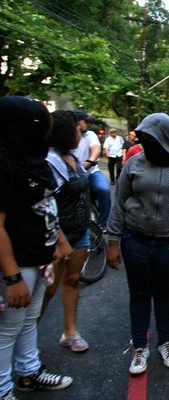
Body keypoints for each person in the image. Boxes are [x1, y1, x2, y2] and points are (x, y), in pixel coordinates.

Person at [107, 113, 169, 375]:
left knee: (165, 295)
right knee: (139, 294)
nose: (146, 144)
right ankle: (140, 347)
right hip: (135, 241)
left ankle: (165, 343)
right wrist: (113, 241)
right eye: (143, 139)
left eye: (151, 138)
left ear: (165, 137)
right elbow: (119, 204)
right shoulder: (133, 163)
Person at [0, 96, 73, 396]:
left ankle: (29, 372)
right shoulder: (4, 165)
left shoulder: (33, 160)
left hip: (39, 256)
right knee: (8, 329)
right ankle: (3, 387)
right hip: (17, 262)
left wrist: (59, 240)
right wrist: (12, 276)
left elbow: (44, 205)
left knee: (29, 319)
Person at [41, 111, 91, 353]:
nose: (80, 135)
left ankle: (70, 332)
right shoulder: (49, 162)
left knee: (72, 280)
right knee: (48, 289)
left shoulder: (73, 158)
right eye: (77, 130)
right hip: (56, 237)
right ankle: (23, 340)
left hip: (80, 232)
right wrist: (61, 241)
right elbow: (47, 206)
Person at [72, 110, 111, 229]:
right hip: (72, 174)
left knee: (103, 189)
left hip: (91, 171)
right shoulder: (66, 134)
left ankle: (104, 223)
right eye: (86, 121)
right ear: (77, 122)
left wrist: (90, 161)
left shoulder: (90, 135)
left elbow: (96, 149)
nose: (89, 124)